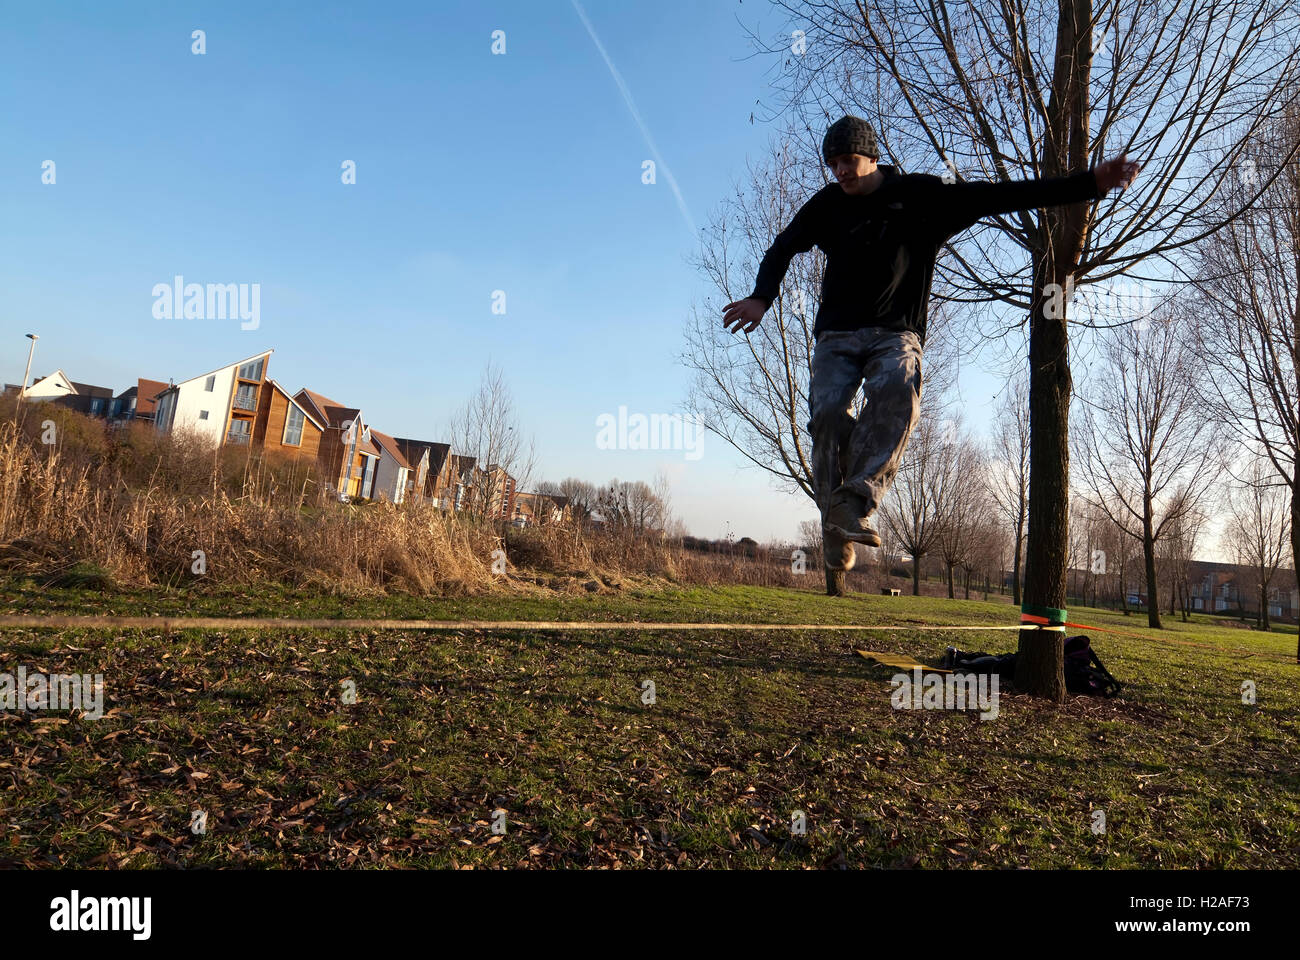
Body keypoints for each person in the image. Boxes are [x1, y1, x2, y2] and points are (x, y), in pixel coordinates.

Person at [722, 116, 1139, 579]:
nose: (840, 172)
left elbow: (998, 195)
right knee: (826, 417)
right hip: (836, 336)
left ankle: (855, 501)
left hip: (895, 334)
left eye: (849, 161)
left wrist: (1088, 184)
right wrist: (762, 296)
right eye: (834, 164)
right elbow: (783, 247)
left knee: (900, 390)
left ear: (872, 156)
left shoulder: (923, 196)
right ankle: (833, 521)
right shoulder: (826, 205)